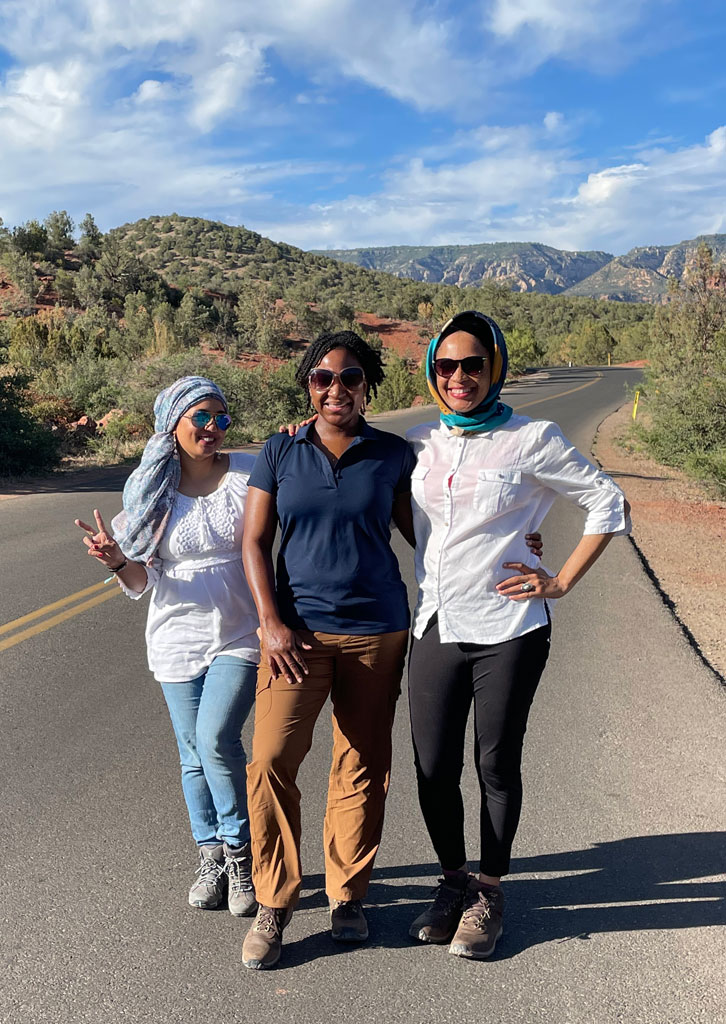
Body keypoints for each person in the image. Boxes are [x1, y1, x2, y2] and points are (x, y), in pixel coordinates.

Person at [405, 311, 630, 960]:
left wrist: (558, 579)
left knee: (495, 763)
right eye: (446, 366)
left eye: (473, 364)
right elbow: (351, 464)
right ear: (431, 372)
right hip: (438, 625)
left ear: (494, 367)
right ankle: (452, 881)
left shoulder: (532, 439)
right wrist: (289, 433)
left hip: (509, 629)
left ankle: (488, 893)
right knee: (432, 769)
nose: (459, 377)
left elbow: (606, 502)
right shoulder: (419, 442)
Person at [239, 330, 418, 970]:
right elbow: (254, 541)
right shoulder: (280, 451)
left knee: (363, 763)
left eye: (349, 378)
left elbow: (433, 529)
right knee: (269, 760)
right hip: (297, 635)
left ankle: (347, 895)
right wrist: (270, 622)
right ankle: (275, 901)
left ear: (368, 386)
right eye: (322, 378)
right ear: (307, 386)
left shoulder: (395, 454)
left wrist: (516, 539)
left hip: (377, 629)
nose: (335, 389)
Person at [74, 376, 259, 917]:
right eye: (201, 417)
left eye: (221, 418)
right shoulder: (150, 492)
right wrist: (115, 560)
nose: (213, 428)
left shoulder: (247, 475)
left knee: (216, 738)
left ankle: (240, 853)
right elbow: (140, 581)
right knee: (192, 756)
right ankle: (211, 856)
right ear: (172, 423)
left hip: (240, 632)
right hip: (175, 638)